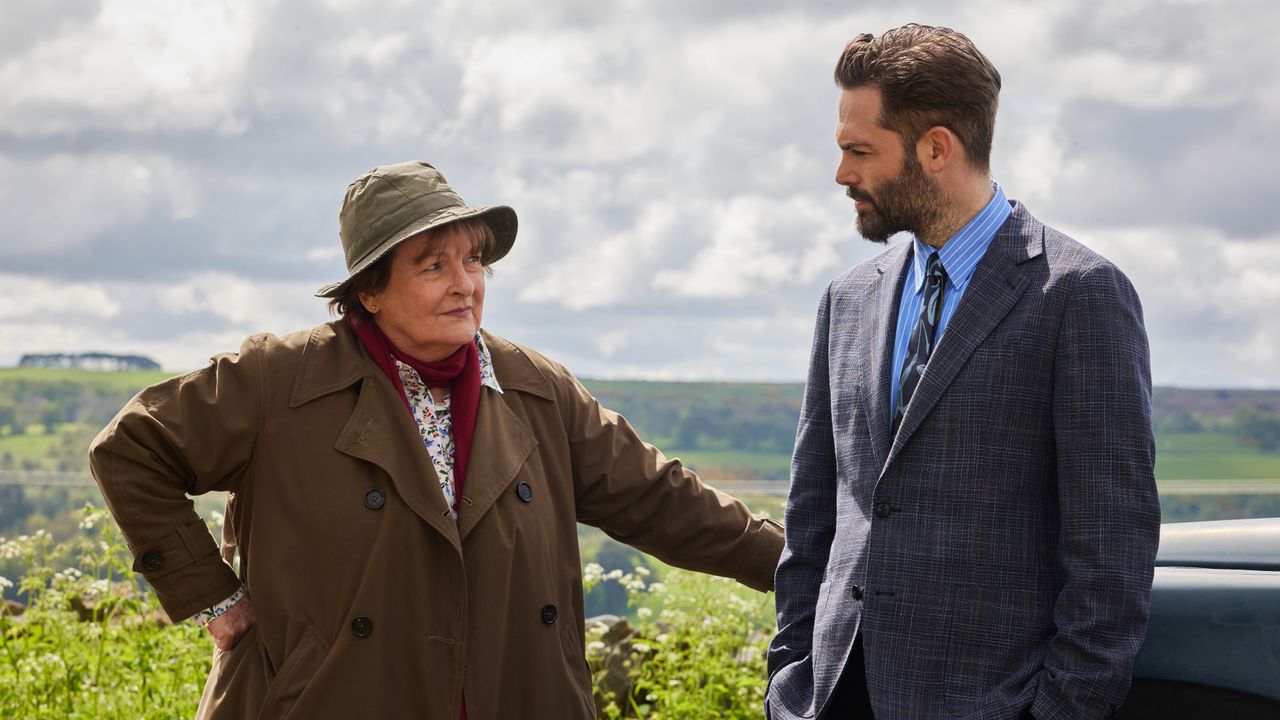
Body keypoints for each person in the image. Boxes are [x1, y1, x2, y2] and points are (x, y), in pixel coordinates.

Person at [90, 160, 785, 719]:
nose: (466, 286)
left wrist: (805, 564)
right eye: (433, 266)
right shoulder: (281, 380)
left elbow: (665, 502)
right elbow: (130, 449)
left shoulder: (537, 388)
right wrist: (210, 593)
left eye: (474, 261)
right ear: (369, 290)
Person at [767, 25, 1160, 720]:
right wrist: (789, 677)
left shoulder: (1080, 296)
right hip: (827, 699)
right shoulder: (847, 300)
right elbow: (814, 517)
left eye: (860, 152)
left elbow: (1111, 552)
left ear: (937, 148)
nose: (842, 175)